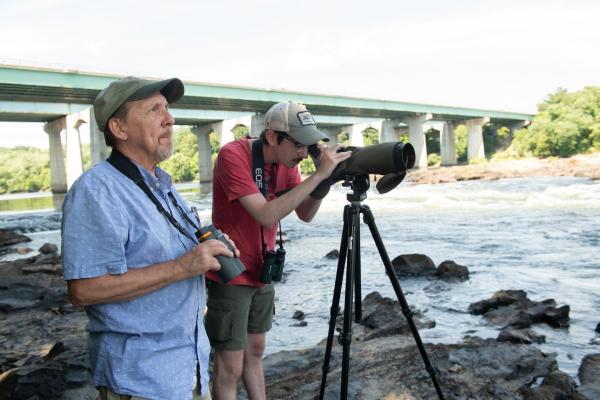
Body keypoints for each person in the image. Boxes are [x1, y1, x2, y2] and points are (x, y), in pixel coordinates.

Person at [62, 76, 238, 400]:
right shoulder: (97, 191)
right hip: (141, 381)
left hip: (188, 370)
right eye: (154, 109)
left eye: (167, 108)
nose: (169, 119)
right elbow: (83, 290)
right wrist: (183, 266)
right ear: (119, 128)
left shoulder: (164, 185)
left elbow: (174, 254)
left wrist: (209, 249)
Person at [206, 101, 352, 399]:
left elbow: (305, 214)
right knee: (230, 364)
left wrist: (324, 179)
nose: (303, 152)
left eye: (309, 146)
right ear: (272, 137)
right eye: (300, 144)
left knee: (256, 351)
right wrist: (319, 176)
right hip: (231, 270)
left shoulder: (287, 164)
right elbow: (266, 214)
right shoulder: (233, 155)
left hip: (262, 268)